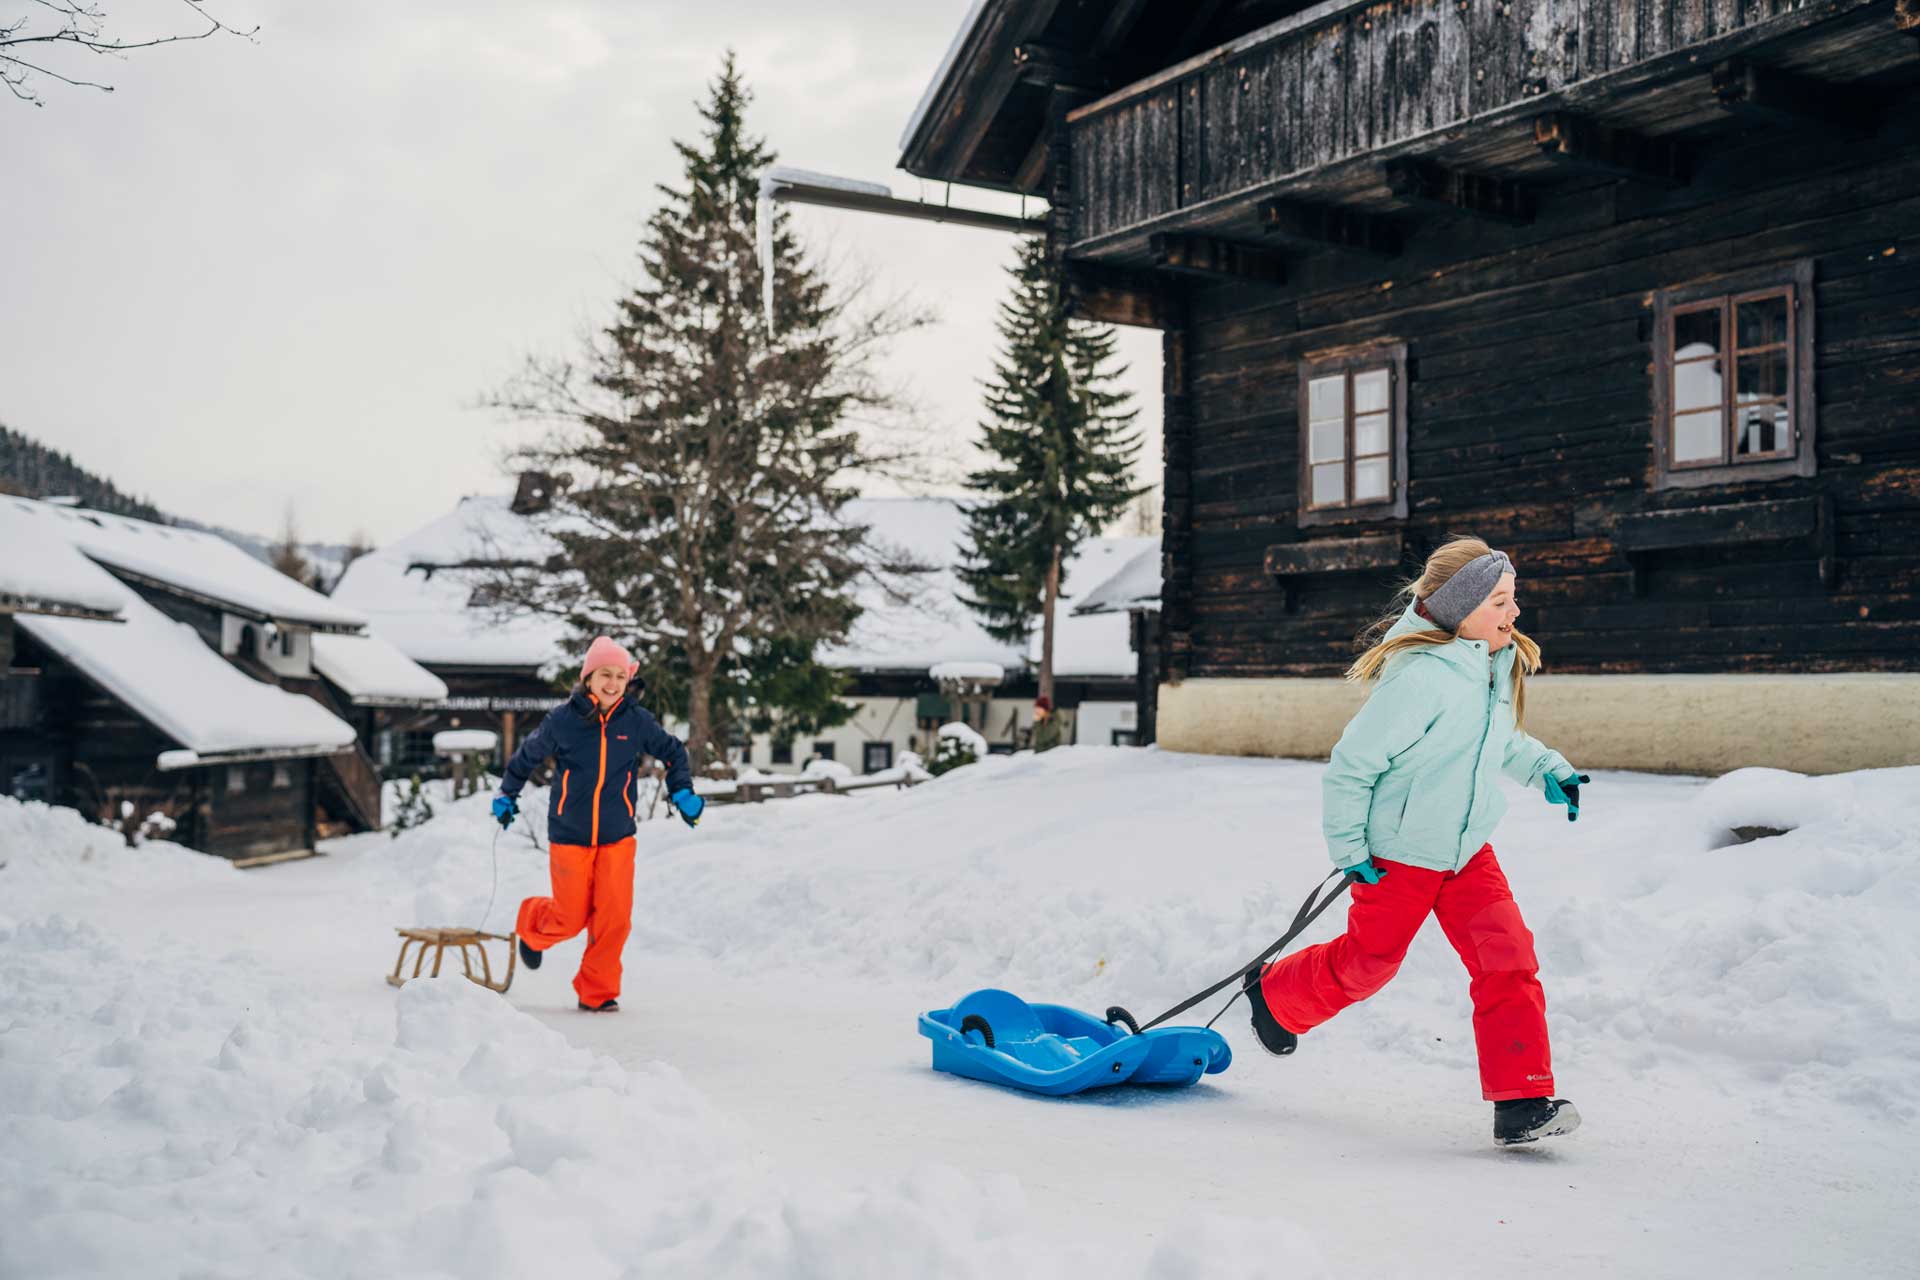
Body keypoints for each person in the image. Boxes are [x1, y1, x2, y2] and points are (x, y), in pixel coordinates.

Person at [1244, 537, 1591, 1146]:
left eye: (1513, 598)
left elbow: (1499, 741)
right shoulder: (1421, 679)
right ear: (1461, 608)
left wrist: (1547, 769)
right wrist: (1350, 849)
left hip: (1466, 852)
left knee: (1508, 956)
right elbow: (1353, 766)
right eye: (1500, 601)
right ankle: (1274, 994)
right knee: (1369, 964)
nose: (1514, 612)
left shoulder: (1489, 663)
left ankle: (1522, 1101)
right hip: (1399, 854)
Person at [490, 636, 704, 1012]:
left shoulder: (635, 720)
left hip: (618, 835)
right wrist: (508, 793)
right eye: (605, 674)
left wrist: (682, 790)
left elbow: (673, 752)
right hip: (570, 835)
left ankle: (597, 992)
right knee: (570, 918)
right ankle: (532, 924)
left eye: (620, 676)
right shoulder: (562, 721)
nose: (613, 683)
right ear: (588, 677)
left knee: (614, 919)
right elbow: (526, 757)